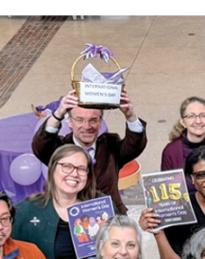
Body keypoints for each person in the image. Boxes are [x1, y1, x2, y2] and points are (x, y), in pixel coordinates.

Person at [32, 87, 145, 215]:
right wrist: (58, 114)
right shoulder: (60, 149)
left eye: (93, 120)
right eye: (80, 120)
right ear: (70, 121)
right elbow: (41, 146)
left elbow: (135, 145)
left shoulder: (110, 146)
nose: (87, 126)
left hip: (109, 221)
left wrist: (130, 115)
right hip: (69, 220)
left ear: (101, 123)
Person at [12, 144, 99, 259]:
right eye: (67, 166)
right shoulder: (27, 210)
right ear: (52, 169)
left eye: (82, 169)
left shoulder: (101, 206)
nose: (74, 173)